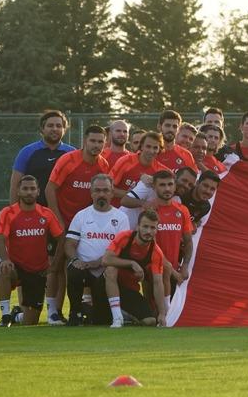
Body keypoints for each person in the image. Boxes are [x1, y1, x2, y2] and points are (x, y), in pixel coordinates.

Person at [45, 125, 110, 323]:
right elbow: (50, 189)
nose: (96, 145)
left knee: (77, 267)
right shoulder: (68, 160)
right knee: (56, 266)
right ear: (84, 141)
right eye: (93, 141)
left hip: (86, 225)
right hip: (63, 222)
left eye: (100, 142)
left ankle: (81, 310)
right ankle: (52, 312)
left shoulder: (103, 165)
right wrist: (58, 221)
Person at [0, 175, 64, 326]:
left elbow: (62, 238)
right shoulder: (8, 213)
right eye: (25, 189)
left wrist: (55, 265)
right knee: (4, 269)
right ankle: (5, 316)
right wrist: (5, 259)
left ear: (38, 191)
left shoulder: (46, 214)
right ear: (18, 191)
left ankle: (16, 316)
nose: (29, 192)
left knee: (30, 322)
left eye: (32, 189)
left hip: (37, 271)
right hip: (16, 267)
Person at [63, 174, 129, 326]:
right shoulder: (81, 215)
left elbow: (122, 249)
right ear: (91, 193)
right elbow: (70, 244)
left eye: (106, 190)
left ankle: (93, 311)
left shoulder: (121, 218)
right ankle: (75, 312)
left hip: (107, 272)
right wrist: (75, 260)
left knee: (101, 320)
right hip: (84, 268)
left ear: (112, 193)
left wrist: (99, 262)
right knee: (73, 271)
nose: (101, 194)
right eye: (97, 190)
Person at [102, 210, 170, 328]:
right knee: (111, 269)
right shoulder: (125, 238)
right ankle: (117, 317)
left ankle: (125, 314)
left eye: (153, 228)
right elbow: (105, 260)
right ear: (137, 227)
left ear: (157, 230)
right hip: (105, 287)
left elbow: (158, 283)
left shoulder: (156, 252)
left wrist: (162, 314)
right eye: (145, 226)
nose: (148, 231)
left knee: (150, 321)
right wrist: (132, 263)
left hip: (129, 290)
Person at [10, 110, 76, 205]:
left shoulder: (72, 153)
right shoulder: (27, 152)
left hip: (62, 214)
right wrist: (14, 212)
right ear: (42, 129)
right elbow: (15, 185)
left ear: (64, 129)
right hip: (33, 212)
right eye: (50, 125)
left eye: (58, 126)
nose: (54, 129)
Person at [150, 170, 194, 291]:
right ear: (154, 187)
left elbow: (188, 241)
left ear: (175, 185)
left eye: (170, 184)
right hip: (154, 272)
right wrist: (174, 273)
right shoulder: (149, 211)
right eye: (162, 185)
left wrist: (185, 265)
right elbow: (152, 247)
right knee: (157, 308)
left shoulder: (183, 210)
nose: (167, 189)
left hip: (174, 271)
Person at [110, 131, 163, 201]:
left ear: (159, 150)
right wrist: (135, 195)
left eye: (155, 148)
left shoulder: (161, 170)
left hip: (143, 209)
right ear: (141, 146)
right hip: (118, 208)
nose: (151, 151)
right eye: (148, 146)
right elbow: (108, 188)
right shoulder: (126, 161)